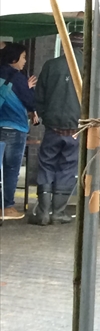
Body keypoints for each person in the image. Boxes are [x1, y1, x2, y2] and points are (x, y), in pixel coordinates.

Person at [28, 31, 84, 225]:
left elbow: (39, 97)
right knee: (68, 168)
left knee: (46, 165)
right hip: (76, 129)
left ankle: (43, 212)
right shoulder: (89, 67)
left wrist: (45, 116)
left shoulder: (50, 65)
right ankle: (58, 212)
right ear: (84, 47)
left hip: (52, 128)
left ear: (64, 45)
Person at [0, 42, 39, 220]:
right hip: (15, 128)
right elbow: (31, 101)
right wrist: (28, 88)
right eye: (23, 57)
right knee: (11, 169)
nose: (24, 61)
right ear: (14, 58)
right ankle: (7, 206)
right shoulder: (17, 77)